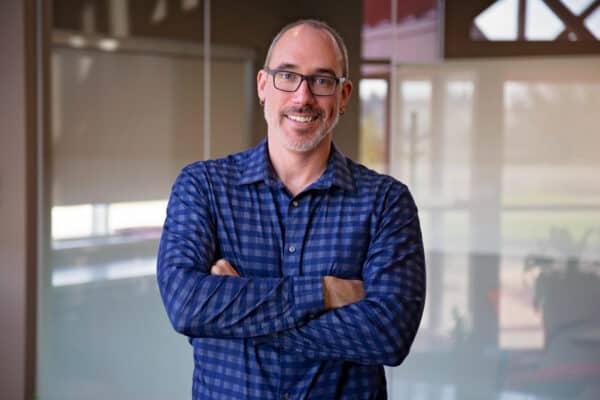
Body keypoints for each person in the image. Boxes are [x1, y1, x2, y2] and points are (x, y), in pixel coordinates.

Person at [157, 19, 426, 400]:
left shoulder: (386, 202)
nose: (303, 97)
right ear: (263, 86)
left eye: (322, 80)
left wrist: (233, 313)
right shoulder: (203, 188)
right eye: (288, 75)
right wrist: (325, 293)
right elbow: (186, 307)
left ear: (344, 95)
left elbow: (389, 335)